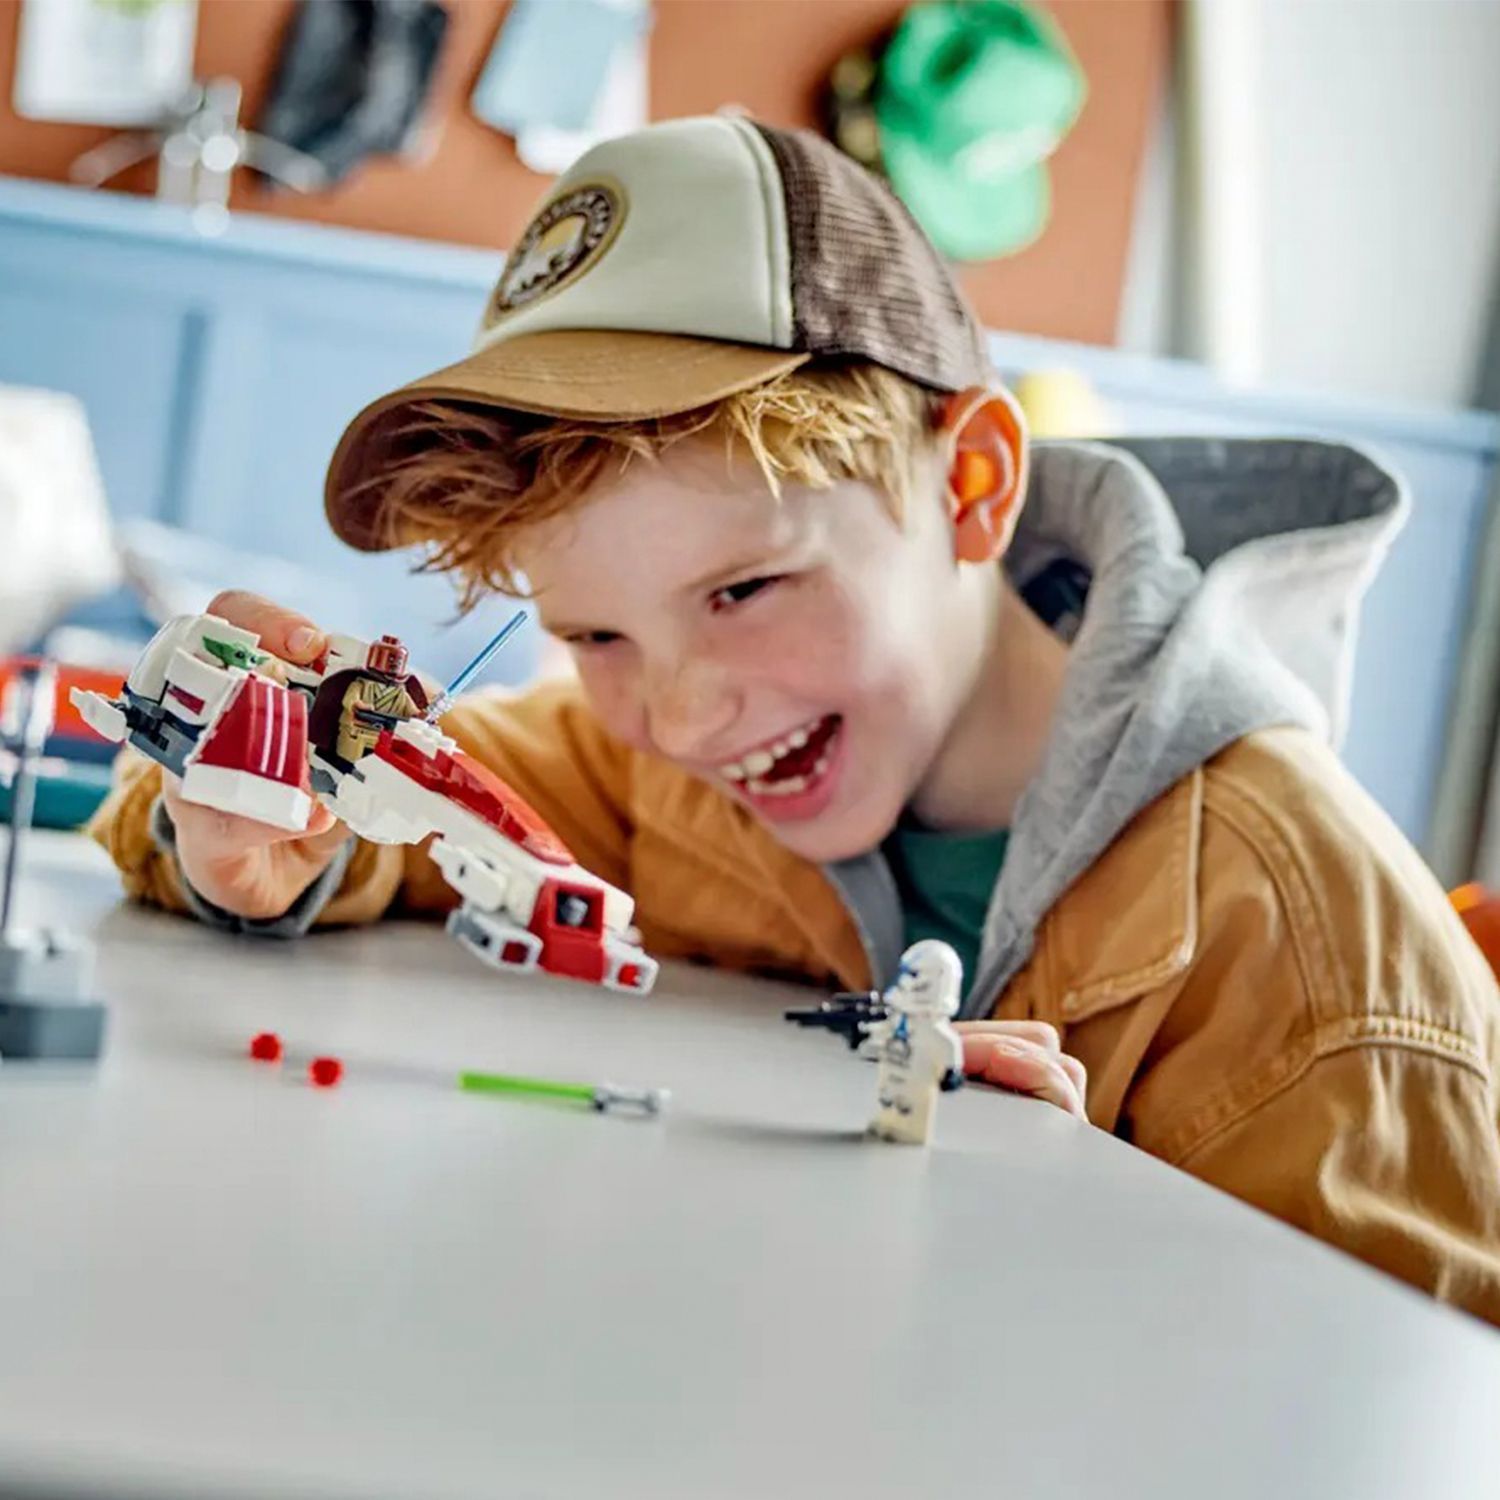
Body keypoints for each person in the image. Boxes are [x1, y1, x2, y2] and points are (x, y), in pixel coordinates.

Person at [91, 115, 1500, 1322]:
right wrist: (257, 821)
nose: (683, 717)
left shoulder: (1316, 960)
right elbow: (415, 813)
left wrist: (1055, 1253)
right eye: (595, 635)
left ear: (971, 486)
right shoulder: (651, 769)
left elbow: (1386, 1413)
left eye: (746, 589)